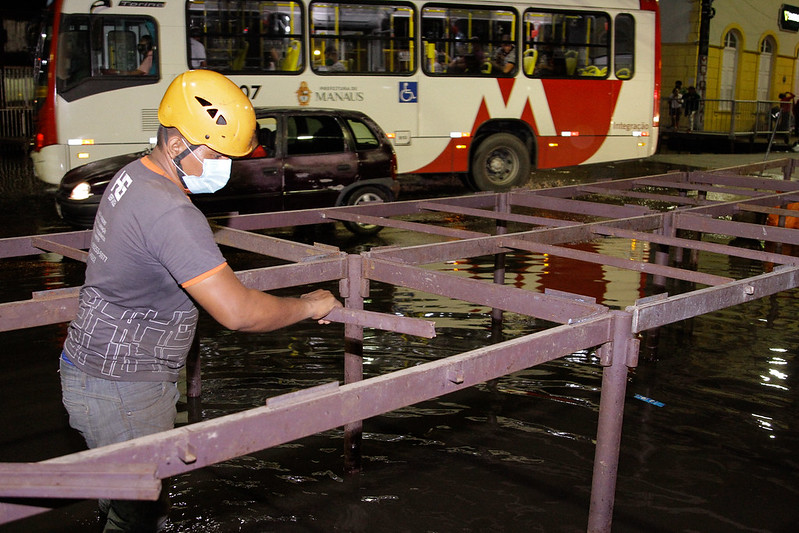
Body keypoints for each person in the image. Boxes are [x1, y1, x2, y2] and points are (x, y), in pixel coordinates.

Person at [59, 69, 342, 532]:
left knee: (125, 497)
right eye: (215, 153)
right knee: (136, 515)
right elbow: (238, 313)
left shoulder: (134, 174)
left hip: (97, 368)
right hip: (122, 386)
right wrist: (310, 305)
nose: (225, 165)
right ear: (176, 145)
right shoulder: (171, 211)